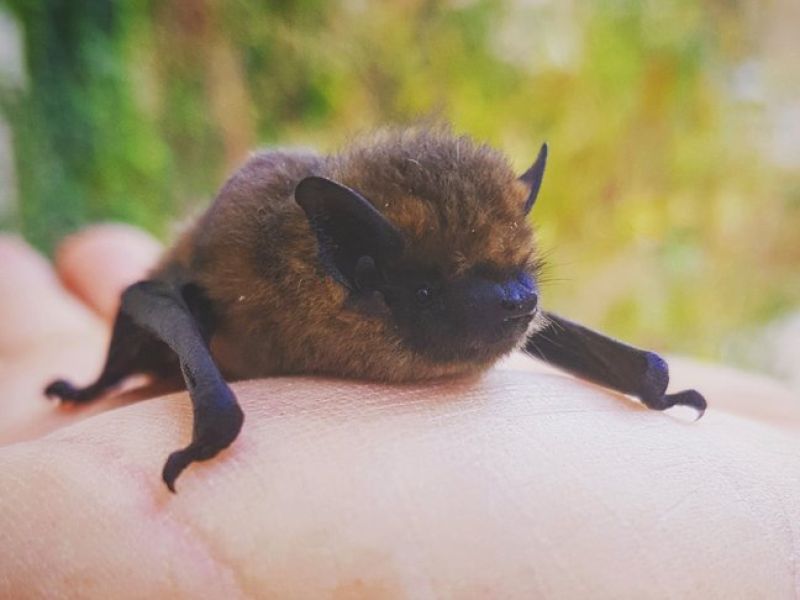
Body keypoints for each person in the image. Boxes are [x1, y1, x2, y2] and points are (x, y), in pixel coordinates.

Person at [1, 225, 798, 597]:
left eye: (519, 286)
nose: (513, 307)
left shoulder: (486, 310)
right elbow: (160, 299)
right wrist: (111, 390)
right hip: (219, 310)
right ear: (360, 276)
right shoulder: (287, 283)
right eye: (446, 291)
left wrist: (639, 385)